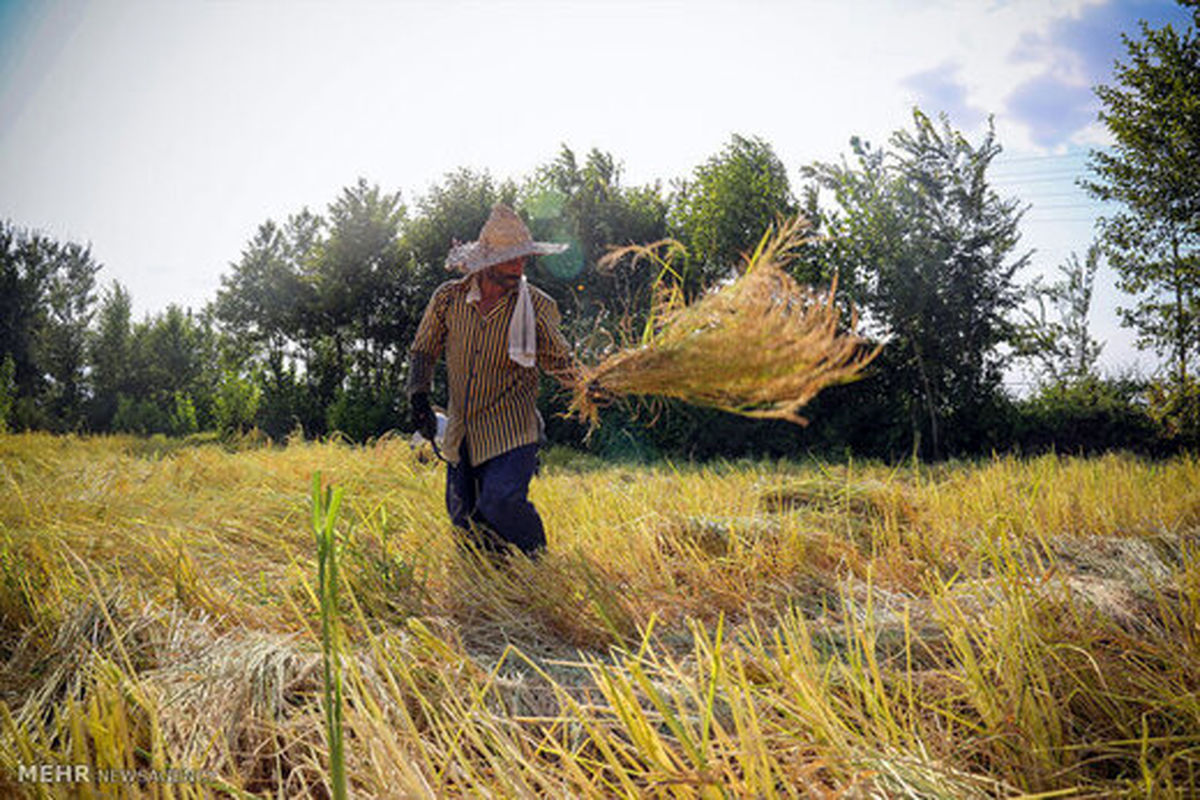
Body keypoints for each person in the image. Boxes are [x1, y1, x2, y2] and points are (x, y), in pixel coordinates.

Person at [406, 204, 579, 559]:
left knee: (500, 500)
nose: (519, 267)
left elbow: (558, 360)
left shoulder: (535, 306)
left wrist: (586, 385)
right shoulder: (448, 299)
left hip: (511, 429)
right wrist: (418, 398)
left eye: (523, 259)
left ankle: (539, 564)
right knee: (466, 523)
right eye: (509, 260)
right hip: (462, 430)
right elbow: (423, 350)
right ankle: (493, 591)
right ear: (486, 262)